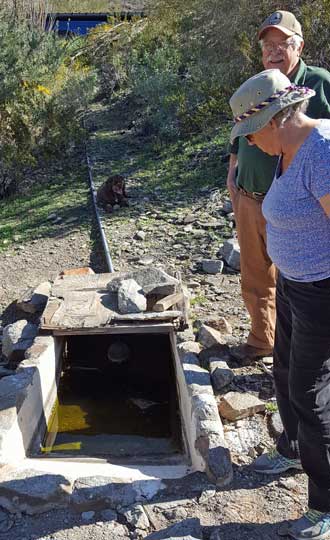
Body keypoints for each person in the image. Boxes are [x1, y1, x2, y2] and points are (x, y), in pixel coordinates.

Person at [229, 68, 330, 540]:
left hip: (320, 293)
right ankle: (291, 449)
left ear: (274, 121)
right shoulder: (287, 152)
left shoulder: (322, 151)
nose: (249, 143)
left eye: (250, 133)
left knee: (312, 394)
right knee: (286, 374)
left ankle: (324, 505)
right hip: (294, 284)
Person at [227, 10, 330, 364]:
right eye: (267, 45)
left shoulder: (318, 83)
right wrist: (233, 176)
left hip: (298, 203)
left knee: (299, 280)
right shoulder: (258, 86)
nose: (273, 51)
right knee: (257, 276)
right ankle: (263, 341)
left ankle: (307, 356)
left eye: (281, 43)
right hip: (249, 197)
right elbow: (241, 135)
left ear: (299, 45)